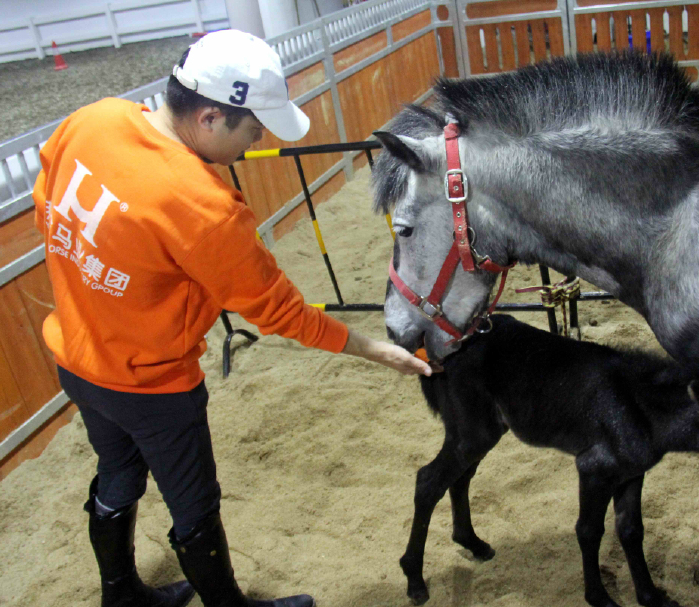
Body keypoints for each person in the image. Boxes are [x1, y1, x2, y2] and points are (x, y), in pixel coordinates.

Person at [32, 29, 431, 607]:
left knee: (118, 472)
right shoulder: (200, 205)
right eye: (254, 128)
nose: (258, 140)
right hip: (153, 383)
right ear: (213, 117)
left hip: (78, 358)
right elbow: (278, 310)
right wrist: (370, 348)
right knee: (194, 504)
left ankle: (120, 593)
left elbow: (45, 198)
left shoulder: (93, 120)